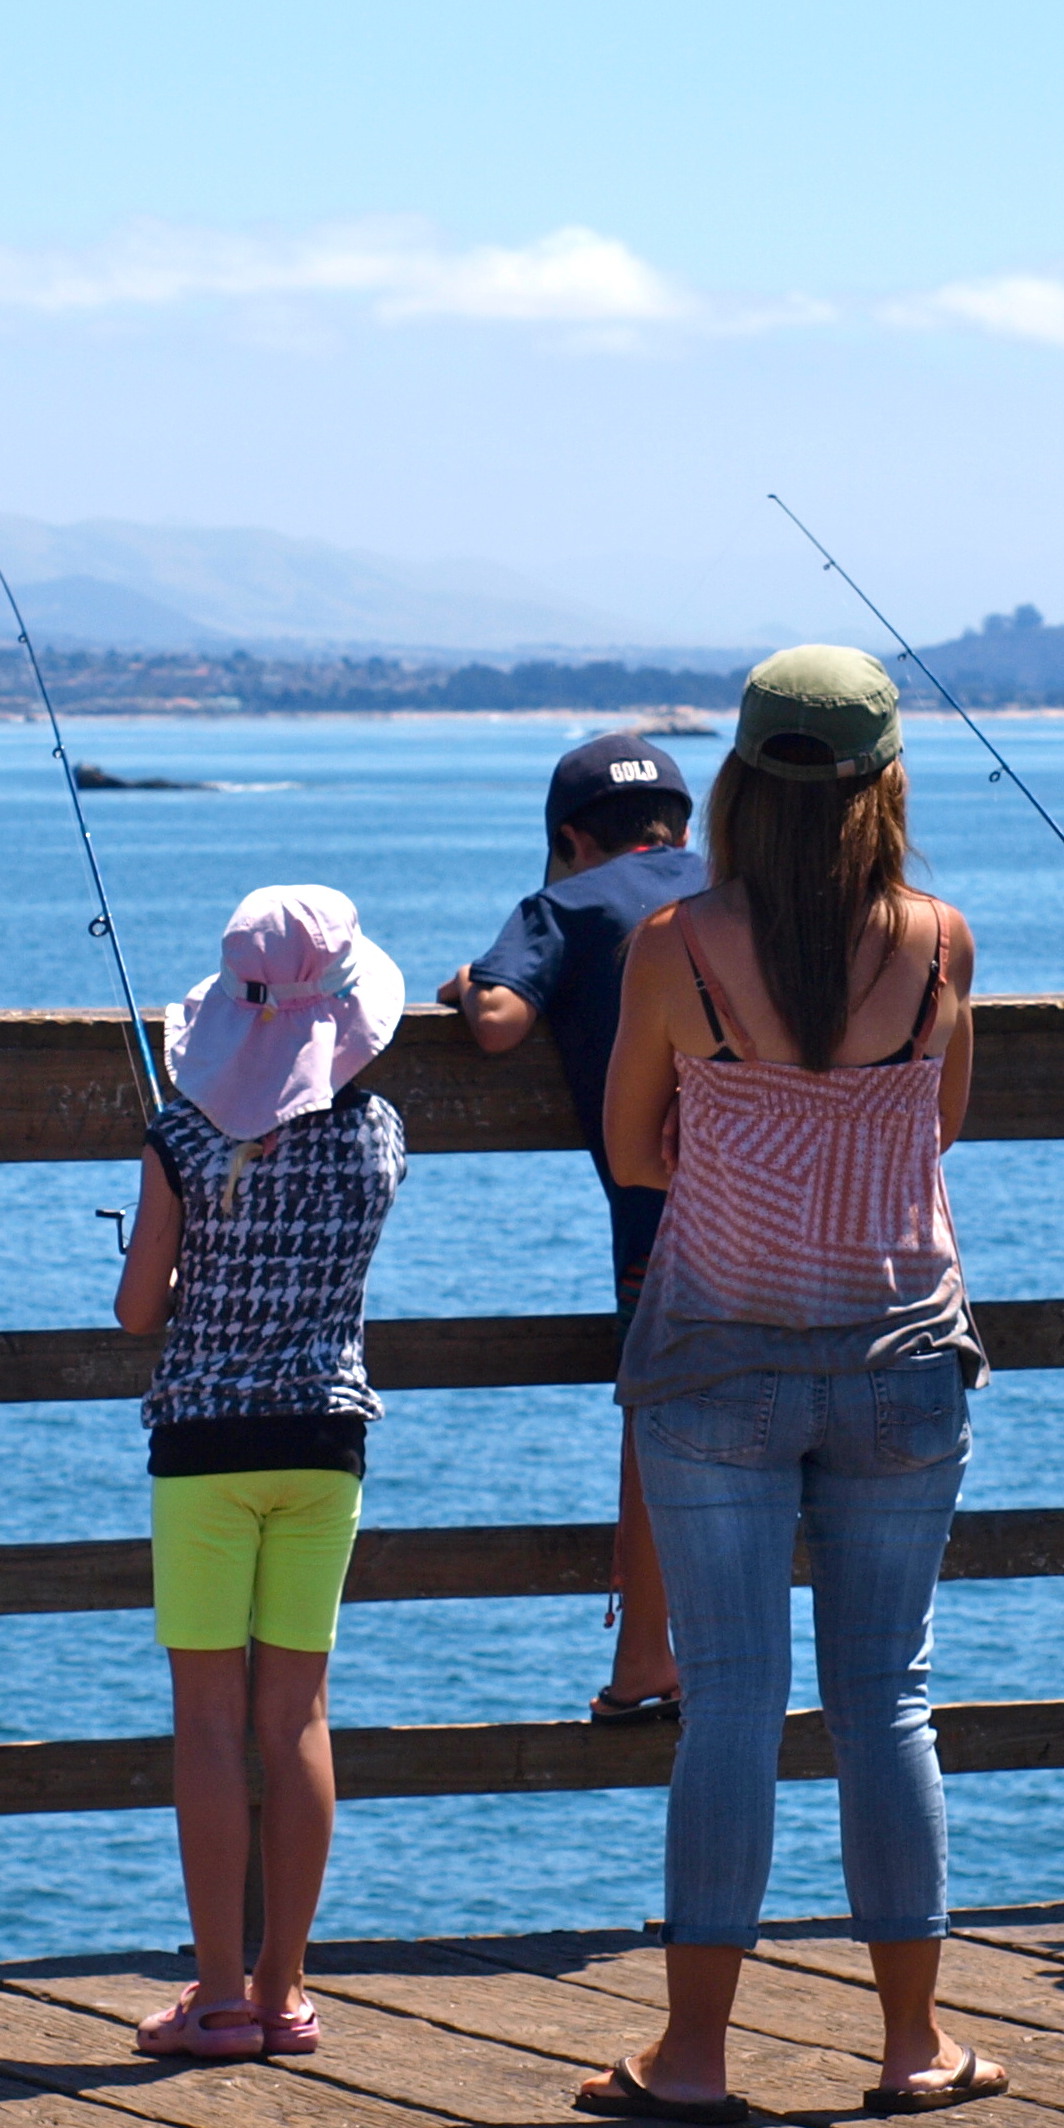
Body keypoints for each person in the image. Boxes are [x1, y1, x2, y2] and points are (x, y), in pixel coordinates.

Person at [578, 645, 1000, 2126]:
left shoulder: (675, 948)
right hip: (899, 1361)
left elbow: (633, 1148)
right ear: (887, 786)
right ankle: (910, 2042)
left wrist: (739, 1156)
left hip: (715, 1357)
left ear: (741, 787)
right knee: (886, 1697)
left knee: (732, 1704)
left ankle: (693, 2053)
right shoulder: (939, 943)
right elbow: (931, 1129)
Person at [115, 884, 409, 2062]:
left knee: (206, 1721)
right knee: (298, 1713)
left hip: (201, 1452)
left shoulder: (179, 1138)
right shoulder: (381, 1133)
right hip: (325, 1444)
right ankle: (286, 1990)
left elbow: (142, 1309)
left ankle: (217, 1991)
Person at [437, 732, 705, 1724]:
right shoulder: (742, 886)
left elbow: (501, 1017)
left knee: (660, 1423)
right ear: (681, 825)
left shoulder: (569, 903)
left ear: (569, 837)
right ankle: (736, 1654)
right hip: (799, 1209)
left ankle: (646, 1655)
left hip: (659, 1225)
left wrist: (468, 979)